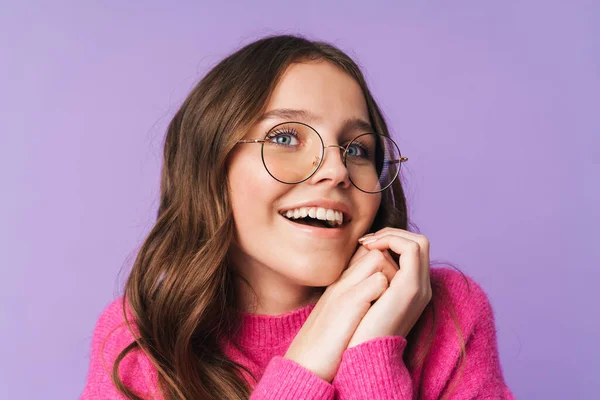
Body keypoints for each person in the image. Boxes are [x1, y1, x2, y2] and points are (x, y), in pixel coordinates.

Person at [80, 34, 514, 399]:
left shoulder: (448, 313)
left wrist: (372, 353)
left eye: (357, 149)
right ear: (209, 166)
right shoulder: (139, 342)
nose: (337, 170)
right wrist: (306, 363)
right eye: (287, 137)